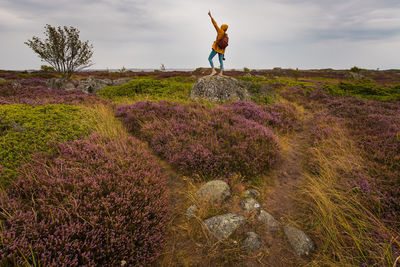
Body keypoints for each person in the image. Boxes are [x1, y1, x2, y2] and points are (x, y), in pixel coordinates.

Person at [208, 11, 228, 76]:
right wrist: (223, 52)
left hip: (216, 48)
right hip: (222, 50)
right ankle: (221, 73)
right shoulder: (226, 35)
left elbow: (215, 24)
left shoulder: (220, 31)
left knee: (210, 58)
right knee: (220, 61)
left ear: (222, 27)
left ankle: (213, 71)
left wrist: (211, 16)